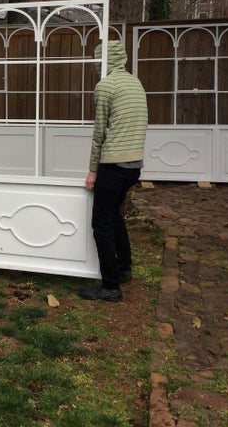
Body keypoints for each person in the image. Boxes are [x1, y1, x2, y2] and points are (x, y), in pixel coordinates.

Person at [79, 40, 148, 302]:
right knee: (116, 216)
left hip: (114, 164)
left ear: (103, 61)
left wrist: (92, 170)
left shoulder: (105, 85)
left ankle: (110, 286)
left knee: (101, 224)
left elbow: (100, 132)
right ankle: (124, 268)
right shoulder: (135, 82)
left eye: (98, 60)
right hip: (134, 165)